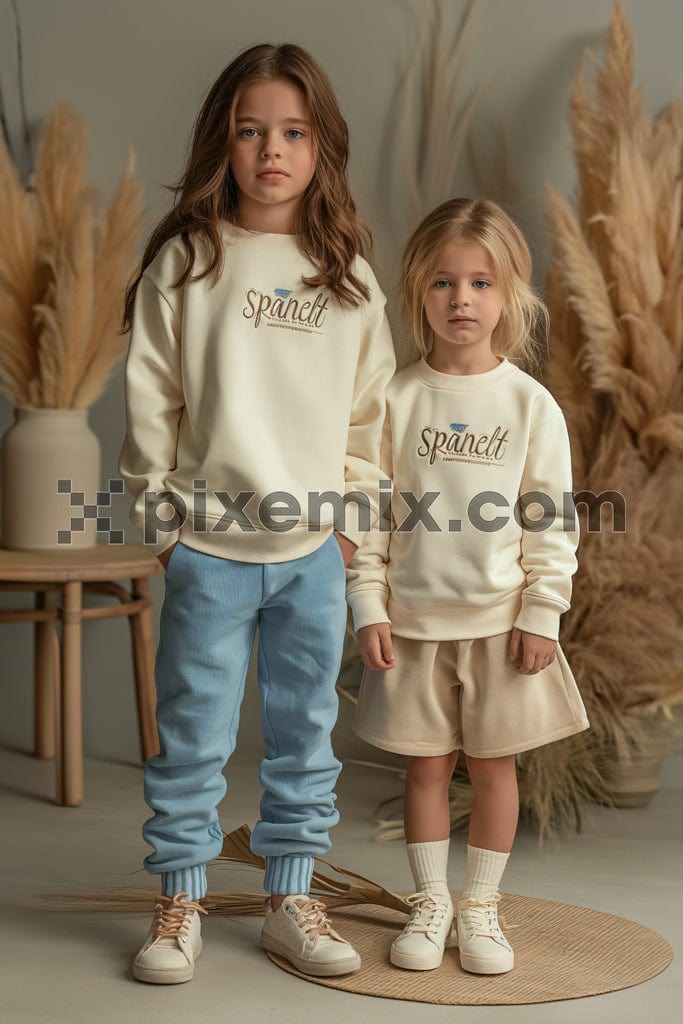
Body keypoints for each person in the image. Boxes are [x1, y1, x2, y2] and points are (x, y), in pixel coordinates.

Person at [118, 42, 395, 985]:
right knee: (193, 730)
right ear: (221, 143)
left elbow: (370, 415)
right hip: (208, 547)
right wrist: (164, 528)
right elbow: (150, 401)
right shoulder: (189, 262)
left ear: (322, 147)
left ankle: (291, 899)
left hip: (313, 552)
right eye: (249, 131)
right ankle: (181, 902)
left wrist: (351, 523)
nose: (270, 150)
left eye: (292, 132)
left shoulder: (347, 275)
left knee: (305, 733)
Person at [345, 197, 589, 976]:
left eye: (481, 283)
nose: (461, 300)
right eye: (444, 283)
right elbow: (369, 509)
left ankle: (479, 907)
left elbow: (549, 519)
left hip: (498, 624)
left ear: (510, 293)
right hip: (413, 625)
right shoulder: (394, 398)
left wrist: (543, 610)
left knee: (492, 769)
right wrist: (367, 601)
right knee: (423, 767)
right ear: (418, 290)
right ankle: (429, 903)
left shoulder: (528, 405)